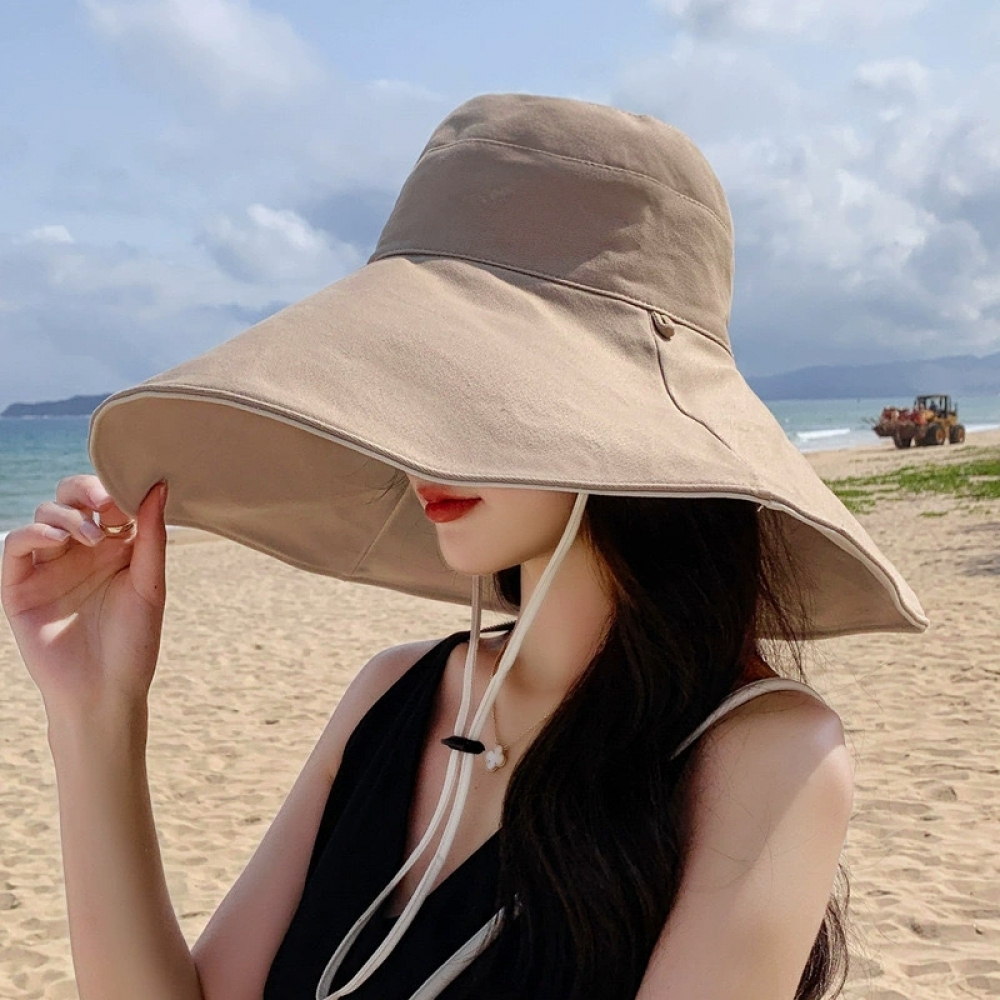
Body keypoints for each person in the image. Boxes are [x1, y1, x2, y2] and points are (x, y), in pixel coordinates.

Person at [1, 94, 927, 1000]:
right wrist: (95, 711)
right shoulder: (392, 695)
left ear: (629, 416)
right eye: (417, 378)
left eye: (476, 382)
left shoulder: (765, 758)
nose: (425, 437)